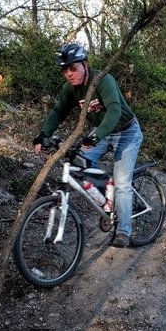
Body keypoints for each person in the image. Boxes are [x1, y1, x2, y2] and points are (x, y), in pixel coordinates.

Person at [32, 42, 142, 248]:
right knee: (80, 162)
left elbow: (114, 111)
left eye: (73, 68)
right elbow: (58, 112)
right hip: (102, 132)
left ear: (85, 64)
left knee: (123, 183)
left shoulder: (103, 80)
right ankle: (108, 197)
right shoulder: (70, 89)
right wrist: (43, 134)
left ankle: (123, 231)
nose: (69, 73)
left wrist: (96, 136)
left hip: (127, 132)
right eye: (65, 69)